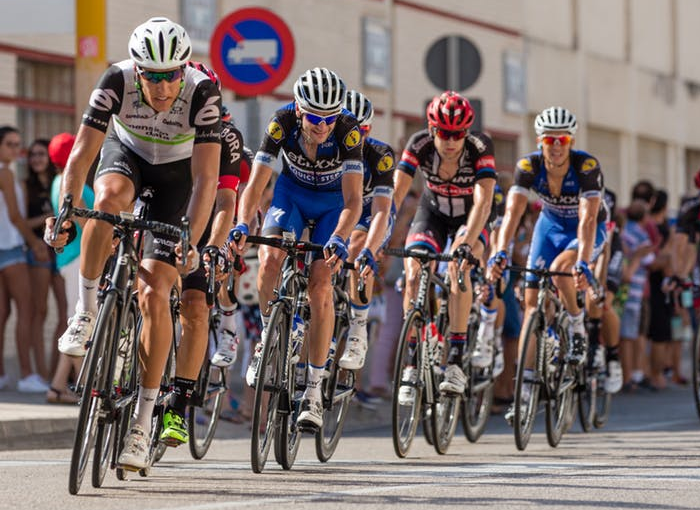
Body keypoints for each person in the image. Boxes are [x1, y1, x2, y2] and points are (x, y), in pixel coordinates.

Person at [43, 17, 222, 470]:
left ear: (184, 70)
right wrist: (66, 210)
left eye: (171, 75)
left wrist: (191, 238)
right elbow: (82, 153)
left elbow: (206, 180)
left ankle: (142, 423)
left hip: (178, 179)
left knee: (154, 292)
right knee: (106, 200)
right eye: (152, 75)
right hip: (128, 157)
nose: (162, 87)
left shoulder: (202, 92)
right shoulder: (115, 80)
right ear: (137, 69)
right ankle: (84, 313)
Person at [229, 67, 363, 428]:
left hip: (334, 204)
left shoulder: (349, 132)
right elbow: (255, 186)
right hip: (292, 196)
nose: (322, 126)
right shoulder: (282, 122)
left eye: (330, 118)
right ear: (300, 110)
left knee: (321, 283)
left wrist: (338, 237)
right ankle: (268, 335)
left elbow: (354, 199)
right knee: (270, 254)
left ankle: (314, 391)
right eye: (315, 118)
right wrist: (243, 223)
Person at [488, 106, 606, 418]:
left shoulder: (586, 166)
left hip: (584, 230)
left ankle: (577, 326)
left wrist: (583, 261)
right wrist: (501, 250)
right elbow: (512, 214)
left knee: (561, 270)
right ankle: (525, 392)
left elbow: (589, 218)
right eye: (549, 140)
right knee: (530, 306)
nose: (556, 146)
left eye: (562, 140)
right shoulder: (528, 164)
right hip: (550, 227)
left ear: (571, 141)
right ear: (540, 140)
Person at [159, 61, 243, 446]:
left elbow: (226, 201)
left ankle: (178, 404)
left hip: (205, 221)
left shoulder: (226, 135)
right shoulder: (157, 120)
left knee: (194, 306)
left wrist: (214, 247)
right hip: (162, 212)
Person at [392, 90, 496, 397]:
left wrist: (468, 241)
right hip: (432, 214)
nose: (450, 142)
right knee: (412, 273)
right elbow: (396, 194)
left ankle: (455, 359)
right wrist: (381, 231)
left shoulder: (479, 147)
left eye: (457, 134)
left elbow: (483, 201)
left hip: (471, 219)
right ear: (432, 129)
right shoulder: (419, 144)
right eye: (443, 133)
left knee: (458, 269)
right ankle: (411, 361)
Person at [337, 89, 395, 371]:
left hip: (372, 213)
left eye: (364, 130)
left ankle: (358, 327)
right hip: (339, 211)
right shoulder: (327, 147)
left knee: (357, 247)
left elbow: (383, 209)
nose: (355, 138)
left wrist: (371, 249)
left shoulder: (380, 154)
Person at [0, 126, 51, 392]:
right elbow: (13, 216)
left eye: (18, 144)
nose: (15, 150)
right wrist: (33, 242)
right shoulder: (6, 172)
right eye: (10, 144)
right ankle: (26, 375)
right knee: (26, 310)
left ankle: (2, 376)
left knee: (3, 313)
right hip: (11, 249)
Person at [46, 132, 94, 404]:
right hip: (79, 257)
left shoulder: (58, 180)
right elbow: (80, 214)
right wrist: (102, 241)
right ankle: (85, 387)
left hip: (69, 258)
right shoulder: (69, 180)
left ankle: (57, 386)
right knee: (79, 323)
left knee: (75, 321)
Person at [25, 138, 64, 382]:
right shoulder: (25, 186)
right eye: (32, 155)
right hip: (39, 252)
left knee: (65, 313)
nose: (37, 158)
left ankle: (54, 373)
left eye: (41, 154)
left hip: (61, 254)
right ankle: (39, 372)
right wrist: (48, 217)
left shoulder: (58, 183)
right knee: (40, 311)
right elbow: (22, 223)